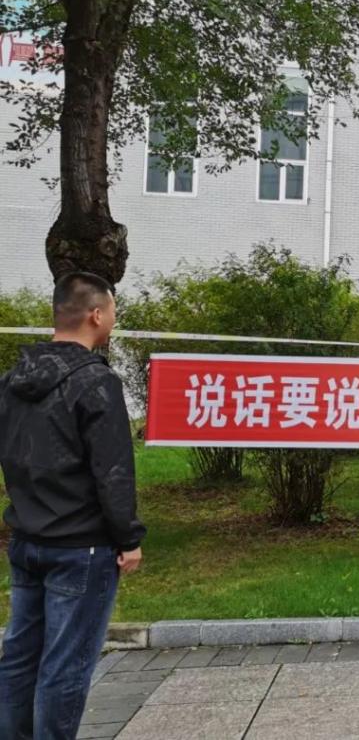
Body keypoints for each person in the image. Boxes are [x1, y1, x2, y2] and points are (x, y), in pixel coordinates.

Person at [0, 272, 146, 740]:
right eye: (113, 310)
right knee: (66, 666)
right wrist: (128, 539)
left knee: (19, 657)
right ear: (96, 315)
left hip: (27, 539)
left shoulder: (13, 380)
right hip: (81, 547)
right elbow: (113, 471)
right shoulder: (96, 382)